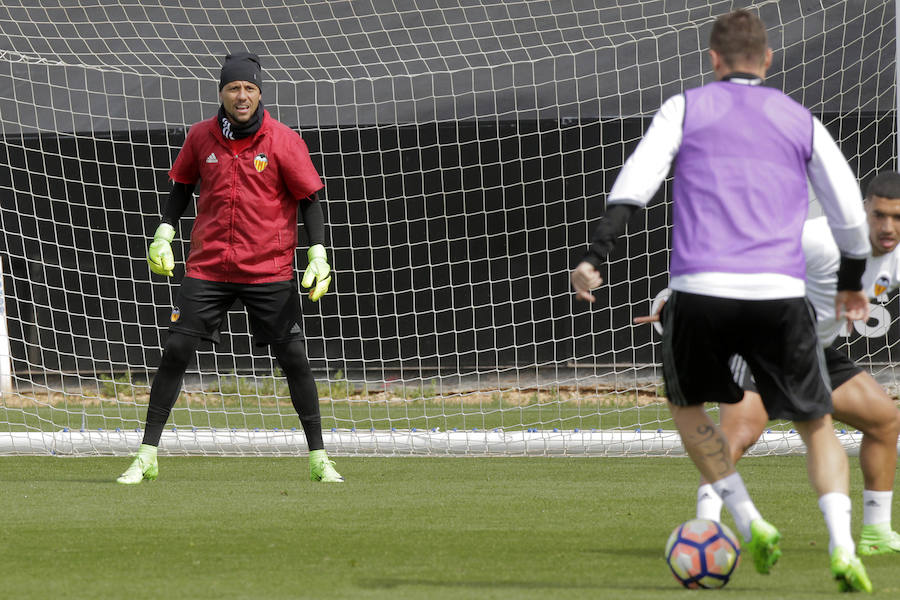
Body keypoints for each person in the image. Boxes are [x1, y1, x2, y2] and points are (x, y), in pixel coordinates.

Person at [571, 10, 873, 592]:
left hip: (701, 292)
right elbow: (850, 217)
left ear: (713, 60)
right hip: (778, 296)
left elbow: (635, 185)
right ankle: (842, 545)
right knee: (817, 425)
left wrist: (596, 257)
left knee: (688, 411)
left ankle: (750, 519)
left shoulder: (685, 107)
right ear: (768, 61)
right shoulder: (799, 118)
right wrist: (851, 281)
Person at [117, 51, 343, 484]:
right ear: (222, 93)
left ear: (260, 93)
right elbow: (181, 188)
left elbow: (309, 200)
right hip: (208, 266)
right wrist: (164, 231)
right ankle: (146, 455)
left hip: (268, 269)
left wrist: (318, 254)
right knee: (175, 353)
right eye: (234, 88)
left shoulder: (283, 140)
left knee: (294, 358)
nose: (242, 96)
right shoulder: (202, 137)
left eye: (250, 89)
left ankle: (319, 458)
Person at [688, 173, 900, 556]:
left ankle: (876, 534)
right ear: (864, 209)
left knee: (884, 418)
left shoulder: (895, 255)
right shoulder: (819, 238)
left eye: (898, 218)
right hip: (757, 345)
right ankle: (705, 528)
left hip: (812, 352)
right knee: (740, 435)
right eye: (880, 215)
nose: (888, 227)